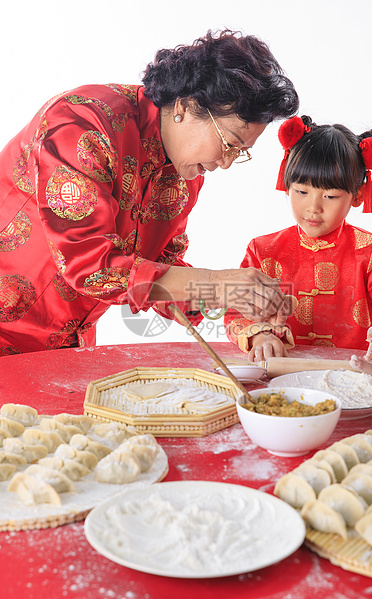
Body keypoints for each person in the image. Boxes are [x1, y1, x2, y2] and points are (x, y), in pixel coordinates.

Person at [0, 29, 299, 356]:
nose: (226, 164)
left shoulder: (184, 173)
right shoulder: (83, 124)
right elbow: (92, 268)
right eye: (229, 144)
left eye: (240, 152)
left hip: (64, 346)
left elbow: (160, 268)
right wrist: (219, 283)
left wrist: (243, 312)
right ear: (186, 106)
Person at [224, 115, 372, 363]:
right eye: (302, 191)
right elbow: (237, 308)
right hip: (284, 376)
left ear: (357, 196)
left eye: (331, 196)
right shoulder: (263, 250)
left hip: (354, 377)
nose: (313, 207)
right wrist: (261, 337)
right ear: (286, 184)